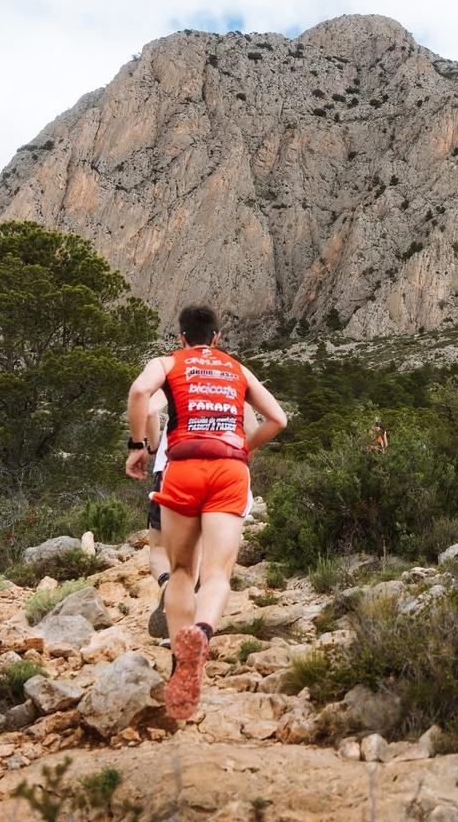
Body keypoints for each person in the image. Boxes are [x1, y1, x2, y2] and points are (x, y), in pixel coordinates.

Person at [125, 305, 287, 720]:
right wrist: (241, 450)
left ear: (181, 337)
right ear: (216, 338)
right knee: (217, 573)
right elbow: (278, 419)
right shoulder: (237, 369)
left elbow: (141, 393)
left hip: (182, 467)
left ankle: (181, 661)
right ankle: (203, 632)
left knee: (182, 571)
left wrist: (137, 447)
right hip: (228, 470)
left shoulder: (167, 362)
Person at [144, 394, 259, 640]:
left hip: (175, 469)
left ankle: (168, 588)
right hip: (227, 470)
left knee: (164, 553)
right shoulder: (233, 380)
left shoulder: (178, 373)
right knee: (214, 568)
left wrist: (153, 447)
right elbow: (254, 428)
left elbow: (151, 411)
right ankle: (200, 629)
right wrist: (241, 456)